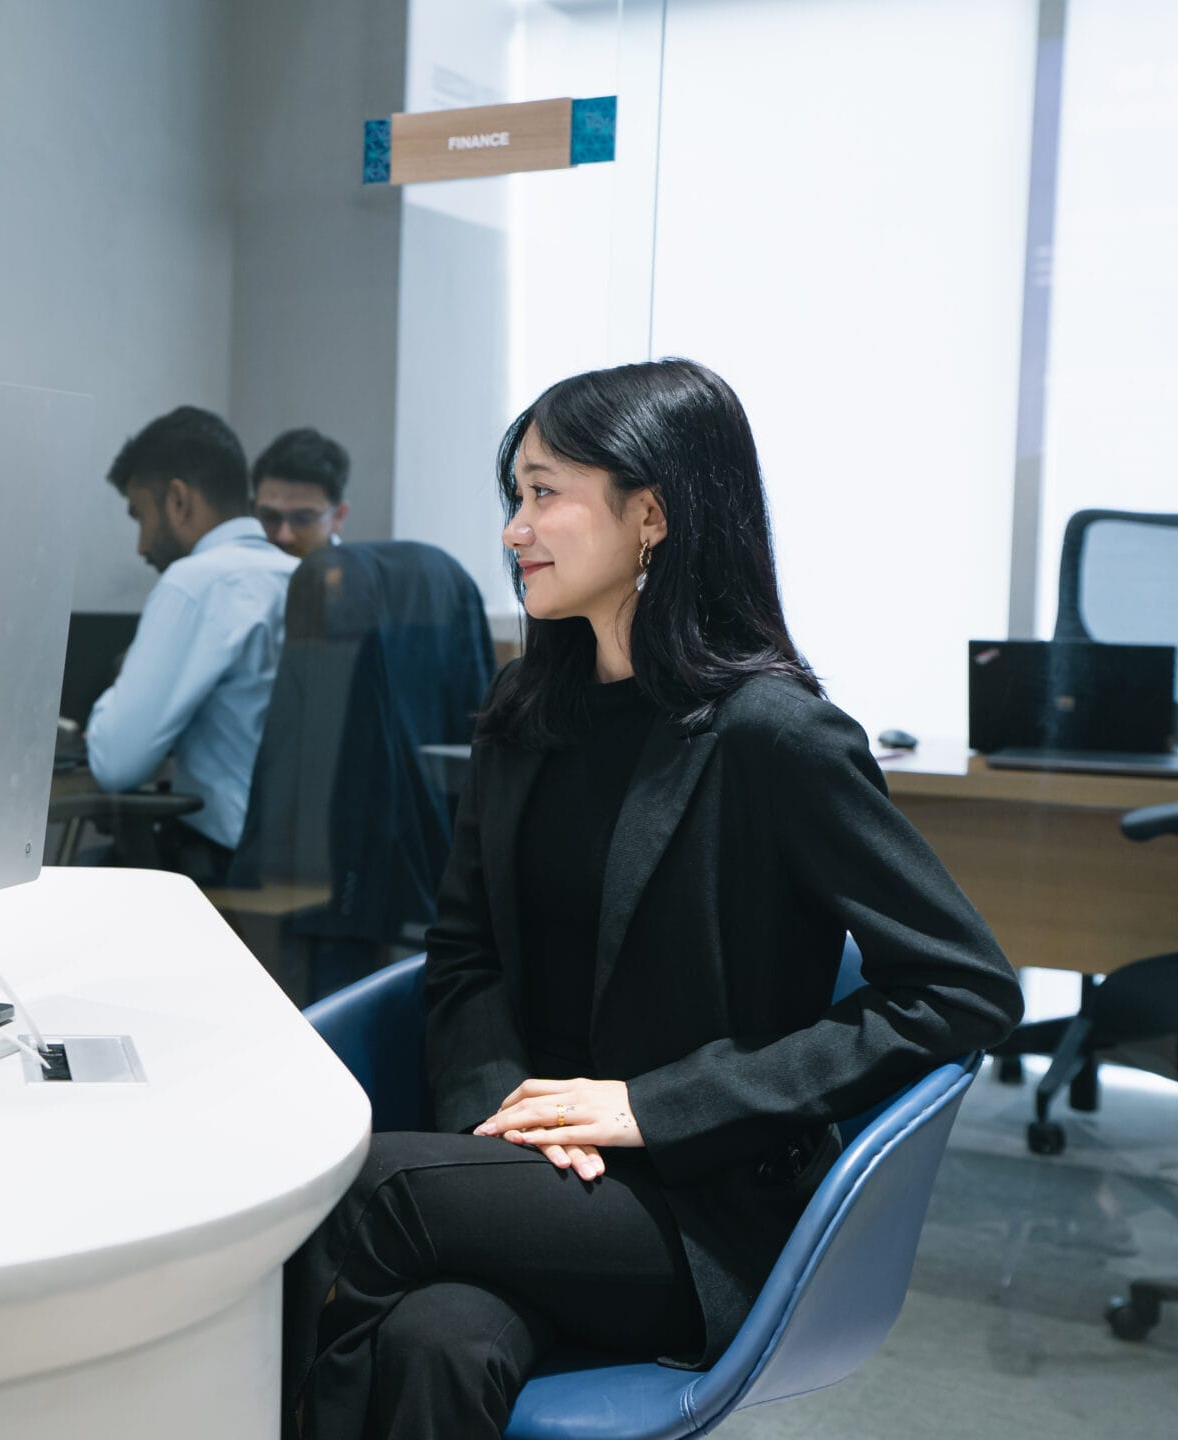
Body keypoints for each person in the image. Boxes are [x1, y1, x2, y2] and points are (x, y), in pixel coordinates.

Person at [279, 359, 1023, 1439]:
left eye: (544, 494)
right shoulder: (525, 712)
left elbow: (964, 989)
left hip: (696, 1205)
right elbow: (466, 954)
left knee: (344, 1193)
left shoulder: (775, 736)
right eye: (515, 496)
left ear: (651, 517)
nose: (514, 530)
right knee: (435, 1342)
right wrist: (503, 1125)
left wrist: (652, 1108)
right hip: (521, 1180)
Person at [84, 406, 300, 881]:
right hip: (302, 866)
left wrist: (121, 682)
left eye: (141, 516)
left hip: (224, 864)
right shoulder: (298, 575)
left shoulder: (197, 583)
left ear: (179, 501)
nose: (141, 546)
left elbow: (115, 763)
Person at [251, 426, 352, 558]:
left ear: (338, 516)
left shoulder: (358, 571)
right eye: (269, 517)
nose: (283, 536)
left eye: (302, 519)